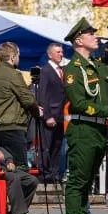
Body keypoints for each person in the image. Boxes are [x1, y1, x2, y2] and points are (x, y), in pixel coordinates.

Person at [61, 19, 108, 214]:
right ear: (79, 40)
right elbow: (78, 103)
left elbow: (107, 85)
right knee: (77, 182)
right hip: (83, 129)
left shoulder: (95, 66)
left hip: (98, 129)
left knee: (86, 184)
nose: (95, 37)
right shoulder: (72, 70)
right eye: (90, 34)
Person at [0, 42, 40, 169]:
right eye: (18, 55)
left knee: (5, 168)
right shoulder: (13, 74)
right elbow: (28, 100)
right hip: (12, 128)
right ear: (13, 56)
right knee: (21, 169)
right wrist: (37, 112)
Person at [35, 42, 68, 180]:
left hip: (61, 116)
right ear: (50, 54)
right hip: (51, 115)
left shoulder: (63, 71)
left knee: (57, 146)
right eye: (58, 52)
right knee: (47, 146)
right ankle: (44, 175)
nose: (61, 54)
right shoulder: (46, 71)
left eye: (61, 52)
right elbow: (42, 95)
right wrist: (47, 116)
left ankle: (53, 174)